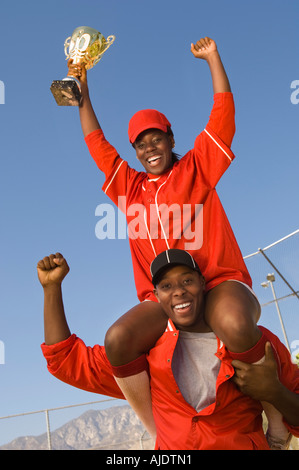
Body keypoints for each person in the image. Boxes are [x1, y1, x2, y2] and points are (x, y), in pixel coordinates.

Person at [67, 37, 285, 444]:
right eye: (141, 143)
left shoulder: (196, 168)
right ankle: (159, 433)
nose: (150, 147)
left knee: (236, 323)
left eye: (157, 138)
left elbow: (223, 117)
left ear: (170, 139)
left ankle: (274, 409)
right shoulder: (129, 189)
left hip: (218, 281)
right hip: (162, 295)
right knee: (117, 340)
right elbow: (97, 144)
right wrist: (83, 95)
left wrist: (213, 58)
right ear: (135, 151)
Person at [38, 250, 299, 450]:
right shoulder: (147, 358)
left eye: (187, 280)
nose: (179, 292)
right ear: (156, 296)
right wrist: (52, 289)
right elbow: (66, 361)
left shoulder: (254, 344)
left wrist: (274, 392)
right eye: (166, 286)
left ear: (203, 283)